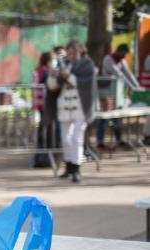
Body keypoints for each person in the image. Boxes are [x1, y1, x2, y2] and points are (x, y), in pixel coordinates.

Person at [48, 39, 97, 183]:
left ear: (80, 51)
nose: (71, 55)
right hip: (65, 107)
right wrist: (53, 76)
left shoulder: (87, 64)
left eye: (73, 52)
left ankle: (76, 168)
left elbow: (86, 84)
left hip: (81, 107)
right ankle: (68, 166)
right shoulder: (65, 64)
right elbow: (53, 86)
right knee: (66, 138)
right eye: (69, 53)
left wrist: (68, 76)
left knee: (76, 137)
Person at [97, 43, 143, 150]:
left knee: (117, 117)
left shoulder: (121, 61)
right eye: (124, 53)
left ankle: (119, 139)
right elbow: (119, 75)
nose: (125, 56)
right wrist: (132, 87)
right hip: (106, 93)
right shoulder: (108, 59)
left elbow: (128, 74)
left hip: (117, 93)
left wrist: (137, 87)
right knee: (103, 118)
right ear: (119, 51)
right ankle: (100, 142)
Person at [31, 52, 54, 168]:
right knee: (46, 131)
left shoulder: (38, 70)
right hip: (45, 105)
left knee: (42, 131)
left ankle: (41, 156)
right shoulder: (45, 72)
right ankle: (44, 157)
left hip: (40, 105)